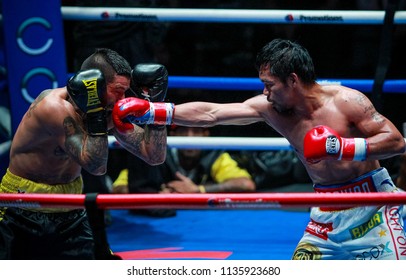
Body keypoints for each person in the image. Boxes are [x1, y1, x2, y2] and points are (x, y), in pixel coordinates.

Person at [113, 38, 406, 260]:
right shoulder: (271, 108)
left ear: (293, 80)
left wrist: (341, 147)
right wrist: (153, 112)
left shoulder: (346, 101)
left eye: (270, 84)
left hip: (374, 203)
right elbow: (212, 113)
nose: (264, 93)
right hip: (325, 212)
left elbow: (396, 142)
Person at [0, 48, 168, 259]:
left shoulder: (107, 109)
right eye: (118, 90)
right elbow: (96, 166)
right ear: (94, 85)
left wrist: (156, 109)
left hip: (70, 208)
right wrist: (96, 115)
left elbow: (153, 156)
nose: (123, 99)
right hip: (21, 207)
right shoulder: (54, 107)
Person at [112, 125, 255, 203]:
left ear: (206, 135)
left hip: (204, 224)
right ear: (173, 135)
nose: (189, 138)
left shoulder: (215, 156)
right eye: (183, 131)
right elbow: (119, 188)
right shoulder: (155, 156)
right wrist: (156, 195)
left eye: (196, 131)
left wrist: (199, 190)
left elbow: (245, 184)